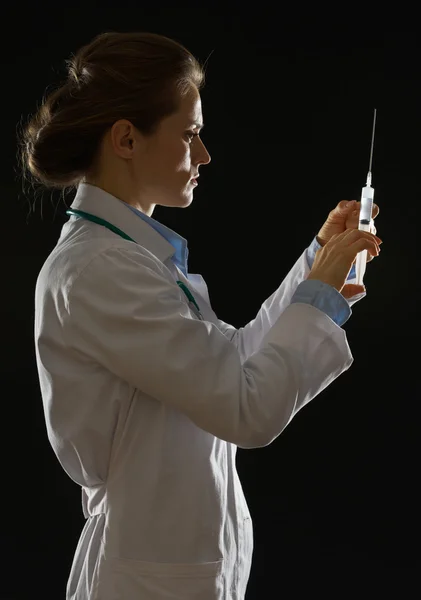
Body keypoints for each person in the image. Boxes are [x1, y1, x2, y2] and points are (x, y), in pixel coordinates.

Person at [19, 31, 381, 600]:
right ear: (126, 140)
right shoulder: (97, 271)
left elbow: (233, 366)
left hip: (177, 570)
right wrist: (320, 292)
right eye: (190, 134)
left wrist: (319, 265)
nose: (205, 154)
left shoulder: (128, 258)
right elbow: (245, 408)